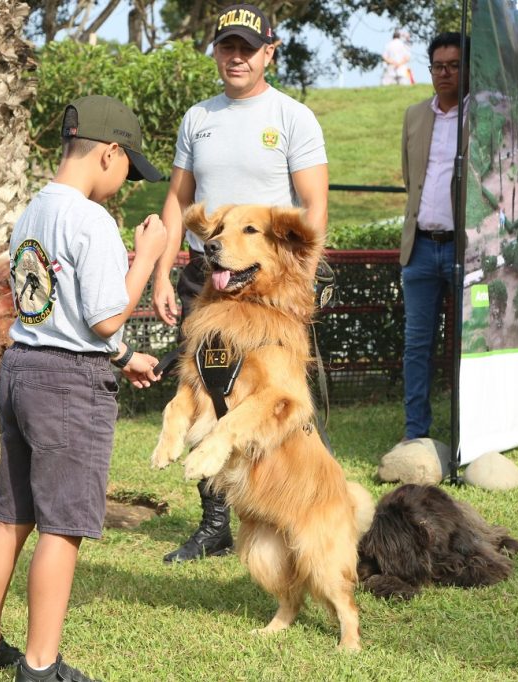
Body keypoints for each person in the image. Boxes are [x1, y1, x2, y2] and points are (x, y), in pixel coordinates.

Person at [0, 95, 167, 682]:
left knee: (10, 516)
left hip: (22, 364)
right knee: (63, 525)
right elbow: (105, 318)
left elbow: (62, 310)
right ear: (110, 153)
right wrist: (145, 258)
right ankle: (41, 665)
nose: (127, 182)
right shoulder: (91, 218)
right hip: (69, 385)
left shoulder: (34, 211)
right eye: (129, 168)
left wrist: (123, 358)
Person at [150, 3, 329, 563]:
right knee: (207, 387)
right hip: (208, 280)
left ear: (268, 53)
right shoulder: (197, 118)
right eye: (227, 46)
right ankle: (214, 523)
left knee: (276, 396)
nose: (236, 57)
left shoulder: (293, 117)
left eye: (247, 48)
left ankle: (297, 507)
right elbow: (178, 202)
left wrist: (301, 278)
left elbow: (314, 205)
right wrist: (161, 271)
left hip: (272, 288)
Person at [399, 32, 469, 442]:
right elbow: (412, 181)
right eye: (438, 66)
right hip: (421, 248)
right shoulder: (414, 115)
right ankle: (415, 435)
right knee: (417, 349)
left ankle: (466, 432)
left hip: (466, 249)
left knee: (467, 349)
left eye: (453, 65)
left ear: (467, 69)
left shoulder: (481, 115)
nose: (444, 73)